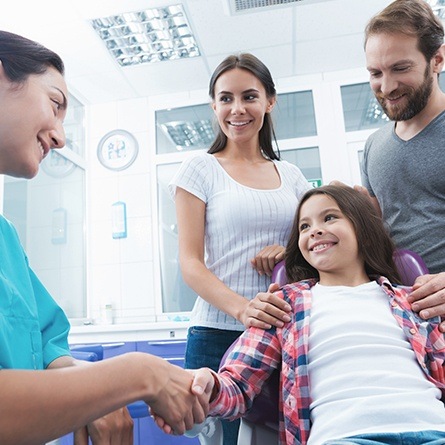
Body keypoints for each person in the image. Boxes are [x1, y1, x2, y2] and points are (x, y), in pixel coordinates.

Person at [0, 30, 210, 445]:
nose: (60, 137)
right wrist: (134, 374)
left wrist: (95, 389)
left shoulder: (6, 237)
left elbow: (46, 351)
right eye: (55, 104)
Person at [159, 185, 445, 445]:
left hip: (433, 430)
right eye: (304, 226)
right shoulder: (285, 305)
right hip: (344, 436)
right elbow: (237, 386)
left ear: (362, 228)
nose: (314, 230)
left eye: (329, 218)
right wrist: (208, 386)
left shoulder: (412, 299)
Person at [169, 52, 310, 444]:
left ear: (269, 101)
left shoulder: (293, 176)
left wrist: (289, 251)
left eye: (249, 96)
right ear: (214, 105)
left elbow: (314, 246)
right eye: (225, 98)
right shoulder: (199, 169)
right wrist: (244, 309)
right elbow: (191, 263)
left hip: (281, 335)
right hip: (217, 334)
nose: (237, 109)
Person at [359, 0, 445, 329]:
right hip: (404, 324)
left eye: (400, 68)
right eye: (375, 73)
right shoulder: (373, 147)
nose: (387, 86)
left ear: (437, 59)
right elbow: (381, 233)